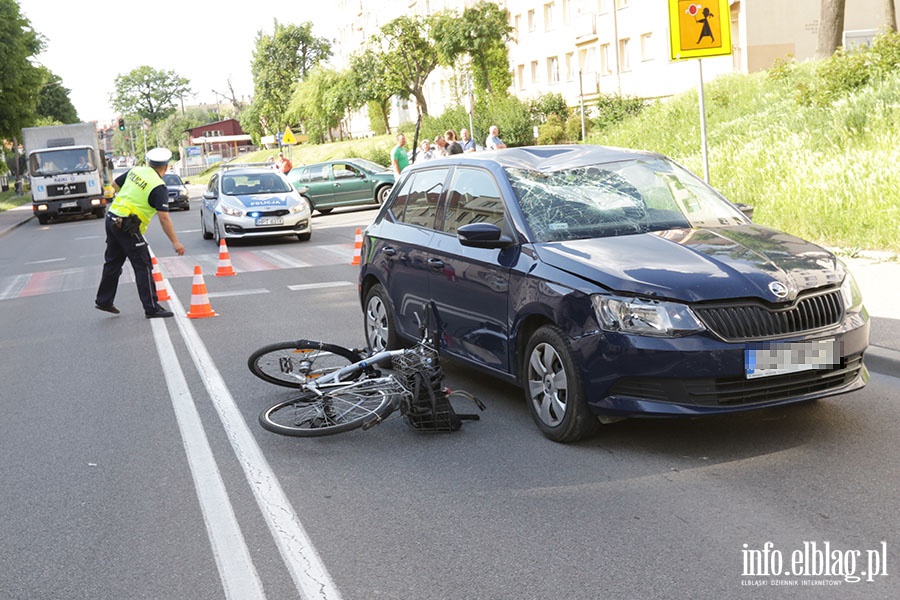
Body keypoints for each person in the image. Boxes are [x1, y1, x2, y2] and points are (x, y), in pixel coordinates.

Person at [94, 148, 185, 318]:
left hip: (112, 217)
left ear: (149, 163)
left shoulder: (136, 170)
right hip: (127, 226)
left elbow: (114, 186)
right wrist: (175, 242)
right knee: (143, 265)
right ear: (165, 167)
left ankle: (104, 300)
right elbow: (164, 218)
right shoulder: (159, 187)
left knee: (112, 263)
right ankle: (152, 308)